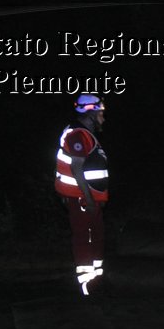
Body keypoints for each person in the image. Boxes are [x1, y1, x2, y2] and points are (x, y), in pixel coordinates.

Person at [53, 93, 110, 296]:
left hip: (88, 199)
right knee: (84, 239)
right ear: (90, 113)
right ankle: (87, 284)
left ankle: (97, 280)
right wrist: (88, 197)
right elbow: (77, 169)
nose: (103, 118)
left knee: (95, 237)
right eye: (101, 113)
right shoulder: (78, 135)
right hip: (82, 199)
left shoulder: (85, 134)